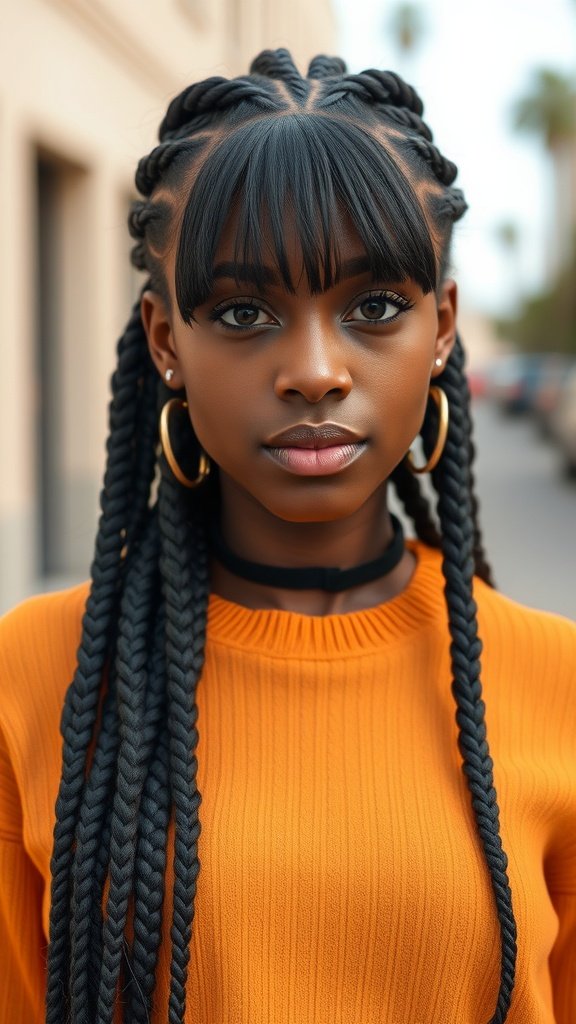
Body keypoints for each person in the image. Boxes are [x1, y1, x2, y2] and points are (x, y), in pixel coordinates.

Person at [0, 47, 574, 1024]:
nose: (314, 370)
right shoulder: (40, 672)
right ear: (165, 340)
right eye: (243, 310)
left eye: (374, 307)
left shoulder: (555, 679)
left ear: (442, 326)